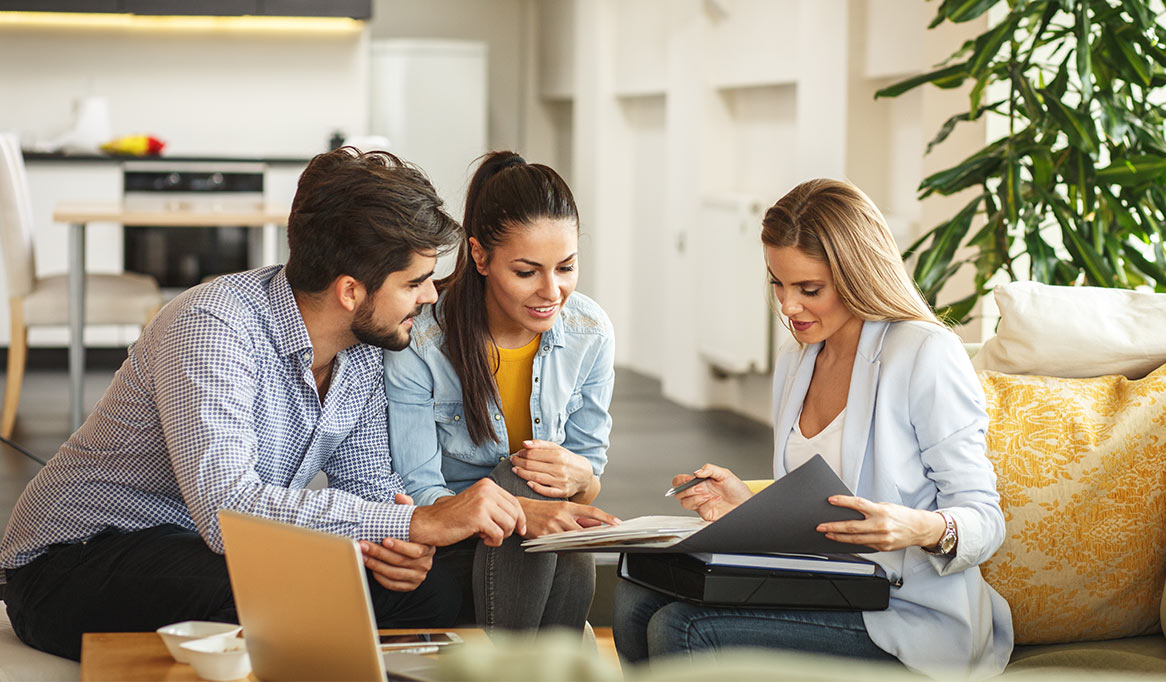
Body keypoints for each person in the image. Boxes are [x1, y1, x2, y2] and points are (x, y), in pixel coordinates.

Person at [0, 148, 528, 661]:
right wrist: (415, 526)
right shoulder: (213, 326)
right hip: (74, 560)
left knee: (429, 592)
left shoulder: (365, 350)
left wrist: (397, 545)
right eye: (415, 282)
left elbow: (369, 490)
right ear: (350, 291)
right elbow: (225, 509)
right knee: (281, 592)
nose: (432, 296)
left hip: (207, 551)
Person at [612, 179, 1012, 679]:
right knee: (634, 598)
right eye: (778, 283)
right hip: (826, 587)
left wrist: (919, 527)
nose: (787, 306)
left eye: (809, 289)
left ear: (858, 276)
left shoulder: (924, 354)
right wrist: (746, 502)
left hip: (906, 613)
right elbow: (820, 501)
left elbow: (985, 519)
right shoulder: (797, 360)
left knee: (684, 627)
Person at [384, 151, 617, 634]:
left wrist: (579, 475)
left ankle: (529, 665)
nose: (552, 291)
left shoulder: (589, 331)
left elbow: (588, 481)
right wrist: (522, 511)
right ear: (480, 256)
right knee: (517, 481)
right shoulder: (422, 340)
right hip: (455, 543)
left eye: (566, 267)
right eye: (528, 272)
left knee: (557, 524)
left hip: (543, 548)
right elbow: (418, 491)